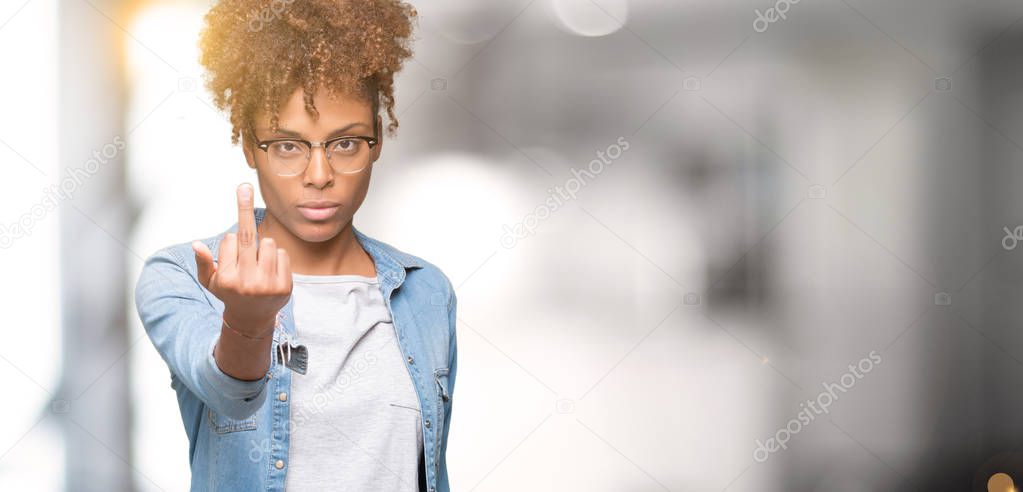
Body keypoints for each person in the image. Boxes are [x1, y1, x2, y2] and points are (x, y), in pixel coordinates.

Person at [133, 1, 457, 490]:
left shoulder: (427, 294)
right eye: (287, 145)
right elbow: (228, 391)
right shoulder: (184, 276)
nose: (320, 175)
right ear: (248, 145)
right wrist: (247, 323)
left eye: (345, 143)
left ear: (377, 142)